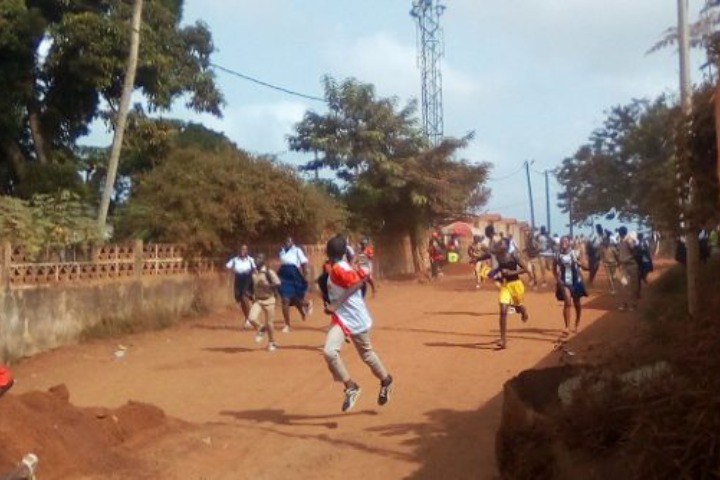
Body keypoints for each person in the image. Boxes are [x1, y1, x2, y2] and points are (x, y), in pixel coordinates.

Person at [320, 235, 394, 412]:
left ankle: (386, 381)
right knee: (329, 352)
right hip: (342, 319)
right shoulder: (337, 267)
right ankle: (351, 387)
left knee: (366, 355)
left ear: (328, 252)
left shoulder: (339, 268)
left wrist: (336, 304)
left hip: (356, 319)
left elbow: (357, 284)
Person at [477, 238, 530, 350]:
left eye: (501, 244)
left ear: (506, 246)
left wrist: (512, 272)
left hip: (516, 285)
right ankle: (503, 340)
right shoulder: (497, 254)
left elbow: (526, 269)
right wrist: (476, 259)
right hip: (505, 286)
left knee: (518, 307)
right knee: (503, 311)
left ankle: (523, 311)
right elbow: (487, 255)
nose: (499, 245)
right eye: (498, 244)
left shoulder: (514, 255)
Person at [553, 235, 589, 336]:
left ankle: (577, 323)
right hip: (564, 281)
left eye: (565, 241)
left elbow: (584, 266)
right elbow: (553, 268)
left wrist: (579, 263)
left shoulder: (574, 253)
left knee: (577, 303)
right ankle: (567, 327)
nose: (563, 243)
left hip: (576, 280)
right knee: (568, 302)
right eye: (562, 241)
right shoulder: (557, 255)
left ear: (569, 243)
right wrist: (558, 279)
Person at [277, 236, 313, 333]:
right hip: (283, 275)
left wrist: (305, 274)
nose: (287, 242)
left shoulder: (297, 250)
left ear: (293, 242)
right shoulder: (281, 251)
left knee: (296, 299)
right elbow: (282, 263)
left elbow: (304, 262)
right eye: (286, 240)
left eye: (289, 240)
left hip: (294, 274)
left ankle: (307, 304)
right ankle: (287, 325)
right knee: (285, 300)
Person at [247, 253, 281, 351]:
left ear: (263, 261)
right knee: (251, 318)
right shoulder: (253, 273)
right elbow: (250, 285)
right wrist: (249, 293)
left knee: (269, 323)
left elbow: (278, 283)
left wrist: (268, 286)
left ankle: (272, 342)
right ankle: (261, 328)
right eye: (256, 259)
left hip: (269, 300)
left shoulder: (268, 272)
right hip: (258, 300)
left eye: (259, 259)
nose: (257, 260)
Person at [225, 244, 256, 328]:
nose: (242, 251)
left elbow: (255, 269)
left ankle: (249, 319)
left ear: (247, 250)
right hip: (238, 279)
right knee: (241, 300)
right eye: (241, 249)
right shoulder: (234, 260)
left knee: (244, 297)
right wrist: (231, 272)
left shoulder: (250, 260)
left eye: (244, 249)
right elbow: (227, 267)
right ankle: (247, 318)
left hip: (247, 279)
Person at [617, 226, 640, 311]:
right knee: (623, 285)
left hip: (631, 265)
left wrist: (630, 258)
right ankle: (624, 304)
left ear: (622, 232)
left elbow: (635, 250)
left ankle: (633, 304)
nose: (618, 233)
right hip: (624, 266)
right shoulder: (621, 241)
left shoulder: (629, 240)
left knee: (633, 286)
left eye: (619, 232)